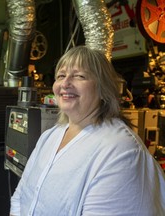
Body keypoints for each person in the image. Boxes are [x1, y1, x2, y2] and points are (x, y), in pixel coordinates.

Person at [10, 46, 165, 216]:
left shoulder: (120, 149)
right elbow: (21, 196)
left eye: (79, 76)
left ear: (103, 90)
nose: (65, 83)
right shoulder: (50, 136)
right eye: (61, 76)